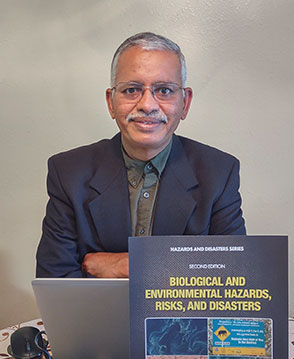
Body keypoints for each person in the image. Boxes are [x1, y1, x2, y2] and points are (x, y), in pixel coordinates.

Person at [36, 32, 246, 278]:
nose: (147, 104)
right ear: (111, 102)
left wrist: (123, 265)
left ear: (185, 103)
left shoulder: (219, 172)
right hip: (98, 317)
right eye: (132, 90)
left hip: (182, 319)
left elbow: (231, 278)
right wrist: (184, 267)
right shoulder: (68, 173)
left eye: (164, 90)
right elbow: (55, 282)